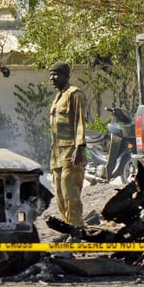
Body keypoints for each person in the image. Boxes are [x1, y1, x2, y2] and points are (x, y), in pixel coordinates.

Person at [49, 61, 87, 227]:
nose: (52, 78)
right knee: (59, 193)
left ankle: (76, 229)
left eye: (56, 74)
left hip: (71, 151)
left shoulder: (74, 94)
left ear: (66, 76)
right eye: (51, 74)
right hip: (57, 153)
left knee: (70, 192)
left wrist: (79, 147)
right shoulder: (58, 97)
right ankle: (67, 228)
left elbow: (80, 123)